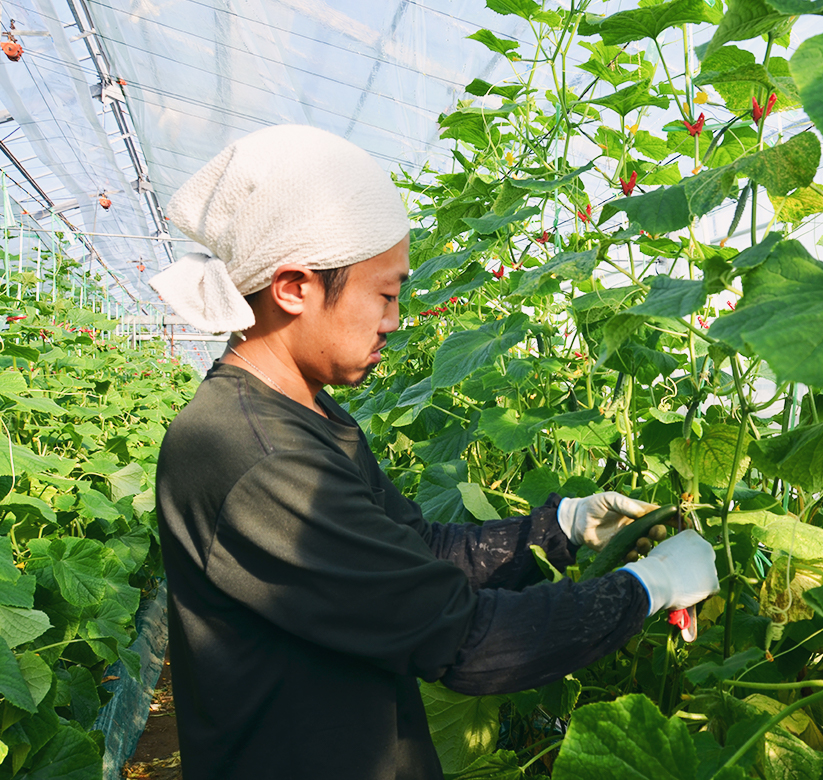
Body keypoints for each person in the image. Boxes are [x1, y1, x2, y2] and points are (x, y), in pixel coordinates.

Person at [150, 125, 719, 780]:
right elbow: (463, 642)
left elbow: (418, 549)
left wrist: (559, 528)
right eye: (385, 295)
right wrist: (647, 587)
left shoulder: (306, 416)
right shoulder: (253, 455)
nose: (393, 321)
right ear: (293, 288)